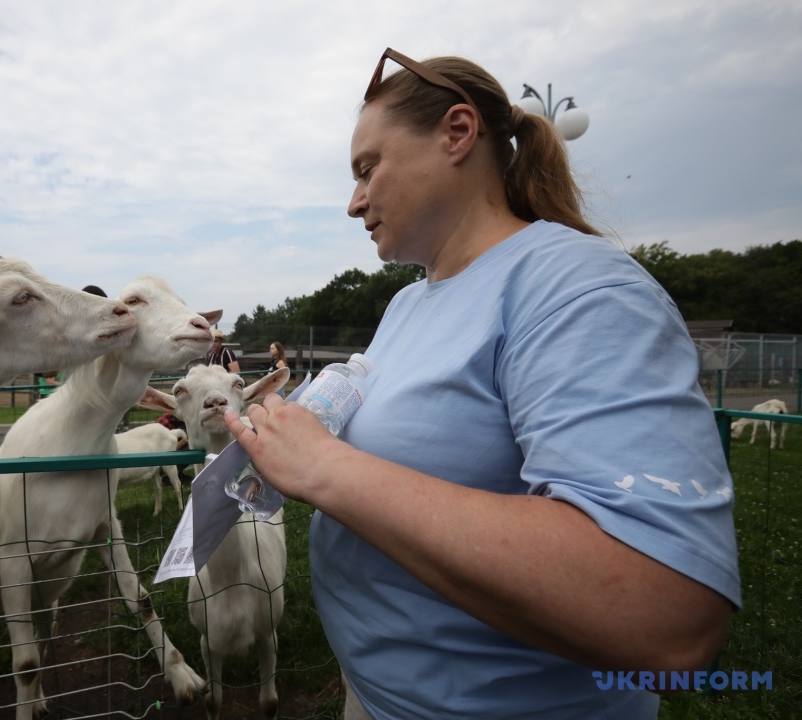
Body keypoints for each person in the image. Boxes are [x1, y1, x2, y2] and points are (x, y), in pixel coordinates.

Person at [225, 48, 739, 719]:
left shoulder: (577, 289)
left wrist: (325, 470)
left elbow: (665, 618)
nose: (354, 202)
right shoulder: (412, 301)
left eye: (367, 168)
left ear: (458, 133)